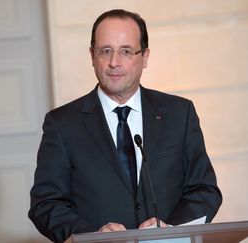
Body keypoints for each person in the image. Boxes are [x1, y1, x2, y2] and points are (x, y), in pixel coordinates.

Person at [29, 9, 222, 243]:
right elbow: (46, 203)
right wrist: (92, 236)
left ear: (145, 57)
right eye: (105, 51)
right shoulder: (61, 124)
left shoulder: (179, 113)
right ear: (92, 56)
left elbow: (204, 190)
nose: (114, 63)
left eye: (126, 51)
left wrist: (171, 229)